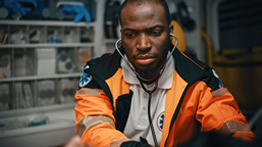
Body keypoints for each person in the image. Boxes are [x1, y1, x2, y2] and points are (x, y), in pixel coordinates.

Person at [74, 0, 256, 147]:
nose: (143, 44)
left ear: (169, 33)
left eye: (154, 32)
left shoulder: (200, 78)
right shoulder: (98, 74)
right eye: (131, 34)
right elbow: (93, 128)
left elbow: (233, 128)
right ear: (122, 35)